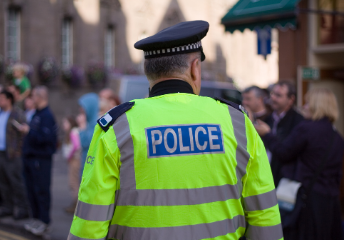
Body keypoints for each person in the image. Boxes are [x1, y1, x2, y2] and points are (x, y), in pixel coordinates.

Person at [68, 21, 282, 240]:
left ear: (148, 71)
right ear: (194, 68)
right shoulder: (237, 122)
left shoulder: (117, 127)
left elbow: (89, 227)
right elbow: (264, 216)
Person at [255, 88, 344, 240]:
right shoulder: (337, 136)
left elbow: (283, 152)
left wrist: (267, 134)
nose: (304, 106)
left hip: (308, 201)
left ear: (317, 106)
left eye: (308, 103)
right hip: (330, 204)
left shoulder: (307, 128)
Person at [0, 90, 29, 220]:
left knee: (16, 182)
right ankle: (8, 207)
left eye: (2, 98)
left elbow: (24, 133)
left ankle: (22, 209)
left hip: (12, 155)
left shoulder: (18, 114)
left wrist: (18, 151)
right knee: (1, 182)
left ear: (9, 99)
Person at [22, 86, 58, 236]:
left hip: (41, 159)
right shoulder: (37, 114)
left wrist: (29, 131)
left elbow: (48, 140)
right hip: (31, 158)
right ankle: (36, 218)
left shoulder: (47, 116)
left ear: (40, 97)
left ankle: (44, 222)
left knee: (41, 190)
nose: (31, 99)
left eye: (33, 96)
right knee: (31, 190)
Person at [264, 81, 304, 187]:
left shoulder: (298, 122)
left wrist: (267, 134)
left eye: (278, 95)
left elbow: (286, 153)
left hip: (285, 181)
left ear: (291, 100)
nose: (273, 98)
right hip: (265, 177)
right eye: (272, 93)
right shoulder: (268, 119)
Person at [76, 93, 99, 178]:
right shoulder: (89, 122)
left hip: (90, 166)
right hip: (85, 163)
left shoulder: (96, 124)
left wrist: (82, 128)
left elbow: (85, 143)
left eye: (83, 107)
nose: (81, 110)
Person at [61, 116, 81, 213]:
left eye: (65, 123)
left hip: (74, 159)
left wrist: (69, 156)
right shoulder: (74, 132)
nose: (63, 125)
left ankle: (76, 204)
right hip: (75, 159)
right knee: (74, 182)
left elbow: (76, 145)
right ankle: (75, 203)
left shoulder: (73, 132)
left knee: (73, 182)